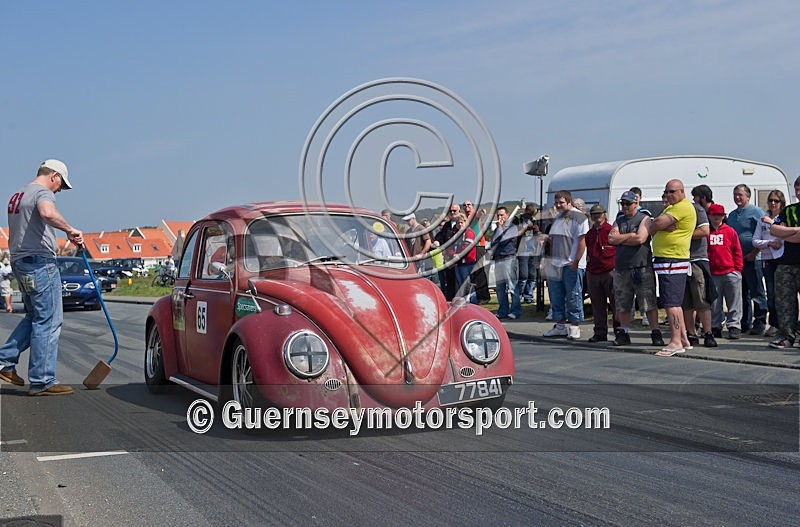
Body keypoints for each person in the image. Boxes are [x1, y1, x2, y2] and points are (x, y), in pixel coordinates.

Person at [0, 159, 83, 395]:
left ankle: (4, 362)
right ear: (54, 176)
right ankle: (43, 380)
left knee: (35, 317)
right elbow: (47, 213)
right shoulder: (41, 192)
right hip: (40, 263)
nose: (60, 190)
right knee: (49, 320)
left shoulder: (17, 195)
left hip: (20, 262)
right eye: (61, 186)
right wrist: (70, 229)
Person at [608, 191, 663, 346]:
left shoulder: (644, 218)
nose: (625, 207)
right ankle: (624, 332)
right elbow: (611, 238)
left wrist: (623, 238)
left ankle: (655, 332)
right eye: (623, 203)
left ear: (636, 204)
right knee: (623, 303)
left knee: (648, 302)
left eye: (628, 203)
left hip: (641, 267)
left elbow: (641, 238)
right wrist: (630, 236)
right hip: (622, 267)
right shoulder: (619, 220)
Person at [648, 179, 696, 356]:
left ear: (682, 191)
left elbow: (657, 224)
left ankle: (675, 341)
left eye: (672, 191)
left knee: (671, 302)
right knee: (673, 301)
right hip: (666, 259)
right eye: (666, 191)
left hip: (673, 259)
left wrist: (657, 224)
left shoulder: (682, 207)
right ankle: (683, 338)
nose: (668, 195)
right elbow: (658, 223)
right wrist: (658, 223)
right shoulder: (671, 207)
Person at [542, 191, 588, 340]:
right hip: (556, 263)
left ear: (569, 202)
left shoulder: (579, 217)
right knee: (556, 296)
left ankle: (575, 326)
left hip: (571, 263)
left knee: (573, 295)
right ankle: (560, 326)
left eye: (561, 202)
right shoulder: (558, 217)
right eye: (556, 202)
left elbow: (582, 241)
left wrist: (576, 261)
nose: (558, 205)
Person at [762, 176, 800, 349]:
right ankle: (786, 336)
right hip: (786, 263)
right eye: (796, 189)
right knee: (784, 301)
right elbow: (774, 229)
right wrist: (794, 230)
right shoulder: (789, 210)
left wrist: (787, 233)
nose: (798, 193)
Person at [727, 184, 768, 335]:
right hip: (737, 261)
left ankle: (760, 322)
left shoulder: (756, 212)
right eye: (735, 194)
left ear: (747, 196)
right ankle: (745, 322)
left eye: (740, 195)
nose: (737, 197)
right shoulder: (731, 215)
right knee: (742, 293)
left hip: (753, 258)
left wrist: (754, 252)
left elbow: (763, 233)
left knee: (757, 291)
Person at [682, 187, 717, 347]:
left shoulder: (697, 209)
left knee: (702, 299)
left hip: (697, 260)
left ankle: (708, 333)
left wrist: (681, 234)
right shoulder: (674, 211)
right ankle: (691, 333)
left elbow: (704, 231)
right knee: (686, 302)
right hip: (680, 259)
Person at [752, 189, 785, 337]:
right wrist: (769, 243)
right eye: (770, 200)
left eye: (776, 201)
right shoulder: (763, 219)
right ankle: (774, 324)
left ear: (781, 203)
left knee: (784, 294)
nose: (773, 203)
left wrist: (773, 224)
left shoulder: (783, 217)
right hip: (767, 259)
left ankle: (787, 324)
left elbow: (787, 235)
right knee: (771, 294)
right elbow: (755, 240)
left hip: (783, 258)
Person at [707, 204, 744, 339]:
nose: (716, 217)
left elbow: (737, 251)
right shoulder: (707, 232)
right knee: (715, 304)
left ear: (723, 216)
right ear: (709, 216)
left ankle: (734, 326)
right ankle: (715, 326)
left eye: (719, 215)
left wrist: (738, 270)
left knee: (734, 302)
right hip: (713, 273)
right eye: (714, 215)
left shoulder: (730, 231)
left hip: (730, 272)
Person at [585, 204, 619, 342]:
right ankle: (600, 332)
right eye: (594, 214)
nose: (597, 217)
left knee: (615, 304)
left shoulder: (610, 231)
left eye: (599, 214)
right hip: (593, 272)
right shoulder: (590, 234)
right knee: (597, 304)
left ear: (604, 214)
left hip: (610, 271)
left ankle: (619, 331)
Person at [491, 207, 522, 319]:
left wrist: (499, 229)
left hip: (508, 258)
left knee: (512, 285)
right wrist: (498, 230)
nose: (500, 218)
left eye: (502, 215)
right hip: (498, 258)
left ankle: (515, 310)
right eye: (498, 215)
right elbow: (493, 242)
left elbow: (503, 240)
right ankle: (503, 310)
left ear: (507, 215)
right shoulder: (497, 229)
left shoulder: (513, 228)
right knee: (500, 287)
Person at [464, 201, 491, 304]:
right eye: (465, 205)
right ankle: (477, 295)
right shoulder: (465, 217)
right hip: (470, 246)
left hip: (478, 245)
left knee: (479, 271)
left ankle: (484, 296)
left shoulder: (473, 214)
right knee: (473, 272)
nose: (467, 207)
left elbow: (479, 215)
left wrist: (482, 212)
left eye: (469, 205)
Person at [515, 204, 542, 304]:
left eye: (532, 214)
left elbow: (540, 234)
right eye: (529, 214)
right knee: (523, 274)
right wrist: (525, 229)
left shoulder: (535, 220)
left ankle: (529, 295)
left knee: (532, 274)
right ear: (525, 211)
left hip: (533, 250)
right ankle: (519, 294)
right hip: (522, 250)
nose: (531, 216)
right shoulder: (517, 219)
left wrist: (537, 231)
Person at [435, 204, 460, 300]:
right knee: (449, 282)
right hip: (447, 257)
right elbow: (440, 237)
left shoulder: (461, 224)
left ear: (459, 211)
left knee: (459, 282)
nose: (453, 213)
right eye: (451, 211)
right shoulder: (446, 225)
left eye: (455, 211)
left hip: (458, 257)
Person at [451, 213, 476, 296]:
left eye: (462, 222)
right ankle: (465, 304)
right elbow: (452, 247)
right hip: (458, 263)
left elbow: (467, 246)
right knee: (461, 286)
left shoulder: (469, 232)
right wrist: (452, 256)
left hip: (467, 263)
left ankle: (472, 304)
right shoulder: (457, 234)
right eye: (458, 223)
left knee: (468, 286)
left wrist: (458, 255)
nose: (460, 224)